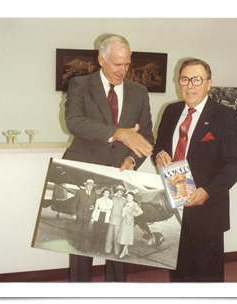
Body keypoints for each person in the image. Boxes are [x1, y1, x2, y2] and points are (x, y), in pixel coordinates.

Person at [63, 34, 154, 282]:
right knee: (82, 243)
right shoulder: (80, 85)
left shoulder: (139, 91)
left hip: (120, 175)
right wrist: (118, 134)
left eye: (127, 64)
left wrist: (133, 161)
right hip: (87, 171)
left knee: (117, 245)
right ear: (101, 59)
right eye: (116, 64)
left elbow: (146, 137)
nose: (122, 71)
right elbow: (74, 123)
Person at [153, 58, 237, 282]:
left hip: (207, 208)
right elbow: (160, 144)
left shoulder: (225, 115)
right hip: (175, 203)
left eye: (197, 79)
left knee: (207, 275)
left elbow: (236, 162)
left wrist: (207, 191)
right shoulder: (171, 111)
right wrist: (159, 154)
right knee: (179, 271)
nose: (190, 85)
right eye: (185, 79)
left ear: (208, 83)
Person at [72, 179, 97, 252]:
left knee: (84, 232)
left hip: (87, 216)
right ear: (85, 185)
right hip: (79, 215)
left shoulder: (94, 194)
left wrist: (92, 206)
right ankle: (73, 244)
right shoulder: (80, 192)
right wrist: (74, 214)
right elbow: (74, 204)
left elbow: (94, 204)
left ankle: (81, 247)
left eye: (91, 185)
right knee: (77, 230)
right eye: (89, 185)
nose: (90, 186)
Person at [117, 191, 144, 259]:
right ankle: (126, 251)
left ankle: (123, 252)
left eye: (130, 197)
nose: (129, 198)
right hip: (124, 221)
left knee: (127, 237)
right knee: (123, 236)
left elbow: (140, 212)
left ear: (133, 198)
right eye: (128, 196)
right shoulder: (126, 203)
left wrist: (133, 215)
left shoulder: (134, 204)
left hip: (129, 222)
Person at [105, 185, 127, 256]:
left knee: (117, 237)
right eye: (118, 191)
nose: (119, 193)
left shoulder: (125, 200)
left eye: (121, 192)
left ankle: (116, 251)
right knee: (109, 236)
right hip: (111, 219)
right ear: (116, 192)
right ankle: (107, 250)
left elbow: (126, 210)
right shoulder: (113, 198)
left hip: (118, 221)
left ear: (123, 193)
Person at [91, 188, 114, 254]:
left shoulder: (110, 201)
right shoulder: (98, 200)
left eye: (108, 193)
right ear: (103, 193)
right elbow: (96, 208)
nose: (106, 194)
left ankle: (99, 249)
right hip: (98, 217)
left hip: (105, 218)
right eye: (105, 193)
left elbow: (109, 208)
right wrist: (93, 217)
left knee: (102, 234)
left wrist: (103, 207)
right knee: (95, 233)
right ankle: (93, 248)